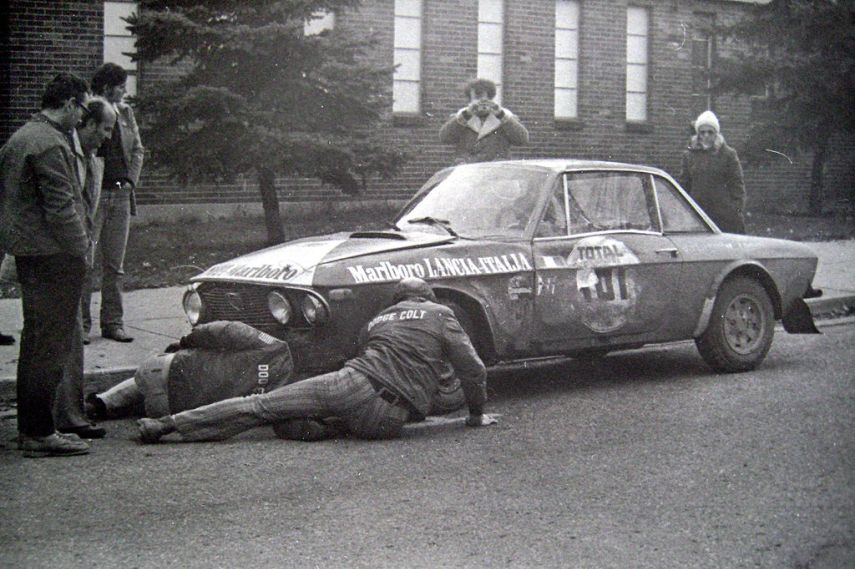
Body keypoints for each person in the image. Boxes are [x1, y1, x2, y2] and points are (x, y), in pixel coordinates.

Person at [137, 278, 497, 444]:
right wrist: (476, 415)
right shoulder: (440, 313)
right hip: (385, 422)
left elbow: (359, 355)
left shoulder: (376, 321)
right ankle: (322, 423)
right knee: (334, 414)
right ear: (428, 297)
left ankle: (166, 426)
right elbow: (473, 367)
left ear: (398, 299)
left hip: (352, 384)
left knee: (258, 406)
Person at [0, 72, 92, 457]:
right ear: (69, 103)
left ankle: (32, 428)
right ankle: (40, 433)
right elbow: (61, 209)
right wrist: (82, 248)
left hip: (28, 253)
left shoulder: (19, 139)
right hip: (55, 256)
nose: (83, 117)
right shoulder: (52, 144)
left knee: (34, 340)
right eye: (82, 107)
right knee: (51, 345)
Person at [52, 98, 117, 440]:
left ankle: (67, 413)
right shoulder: (65, 152)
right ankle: (65, 416)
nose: (107, 137)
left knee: (72, 335)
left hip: (77, 255)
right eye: (105, 129)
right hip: (61, 256)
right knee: (66, 334)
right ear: (88, 124)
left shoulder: (91, 158)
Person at [87, 321, 296, 420]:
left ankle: (101, 402)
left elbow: (226, 329)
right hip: (172, 409)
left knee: (153, 377)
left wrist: (184, 343)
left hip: (161, 371)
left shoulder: (274, 345)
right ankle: (107, 405)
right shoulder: (288, 394)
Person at [81, 62, 144, 343]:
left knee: (115, 265)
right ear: (107, 87)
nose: (124, 91)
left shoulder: (126, 113)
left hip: (120, 195)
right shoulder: (90, 112)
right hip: (94, 196)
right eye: (120, 86)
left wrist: (131, 180)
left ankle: (113, 323)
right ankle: (81, 325)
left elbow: (138, 149)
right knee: (85, 261)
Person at [678, 110, 747, 234]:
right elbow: (684, 185)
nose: (706, 136)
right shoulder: (689, 155)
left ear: (716, 133)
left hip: (723, 216)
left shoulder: (728, 154)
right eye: (702, 132)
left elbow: (737, 185)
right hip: (698, 214)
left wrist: (734, 210)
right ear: (698, 134)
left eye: (710, 132)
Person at [439, 78, 529, 164]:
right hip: (467, 172)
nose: (481, 103)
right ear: (470, 100)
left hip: (494, 172)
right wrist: (467, 114)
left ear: (491, 99)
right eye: (477, 98)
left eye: (486, 99)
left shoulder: (505, 117)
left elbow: (522, 140)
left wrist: (500, 115)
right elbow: (445, 138)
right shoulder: (461, 118)